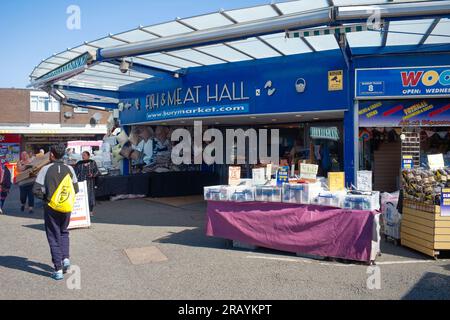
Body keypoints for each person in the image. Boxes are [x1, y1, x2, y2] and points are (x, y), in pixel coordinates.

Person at [33, 143, 79, 281]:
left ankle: (58, 269)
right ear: (63, 154)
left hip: (51, 207)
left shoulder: (45, 170)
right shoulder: (70, 169)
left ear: (51, 154)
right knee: (64, 232)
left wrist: (46, 198)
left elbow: (36, 190)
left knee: (53, 236)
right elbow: (75, 189)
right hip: (66, 207)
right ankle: (65, 259)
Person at [75, 151, 99, 216]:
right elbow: (75, 173)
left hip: (90, 183)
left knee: (90, 197)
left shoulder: (92, 162)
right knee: (82, 197)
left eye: (85, 155)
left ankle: (90, 211)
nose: (83, 156)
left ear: (88, 156)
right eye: (82, 155)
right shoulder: (79, 163)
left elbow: (97, 172)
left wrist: (92, 175)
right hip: (81, 182)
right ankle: (82, 211)